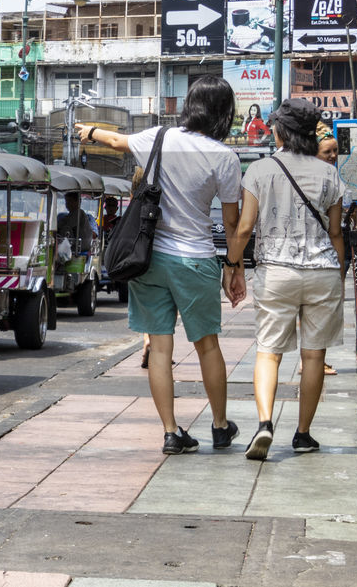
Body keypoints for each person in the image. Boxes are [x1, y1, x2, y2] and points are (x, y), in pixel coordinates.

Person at [75, 75, 242, 455]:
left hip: (148, 258)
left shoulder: (159, 137)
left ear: (190, 105)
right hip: (196, 260)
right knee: (208, 346)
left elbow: (116, 141)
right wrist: (234, 267)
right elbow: (232, 222)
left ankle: (170, 431)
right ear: (225, 113)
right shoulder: (225, 158)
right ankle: (219, 426)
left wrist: (90, 131)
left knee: (160, 349)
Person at [225, 99, 345, 460]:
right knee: (313, 356)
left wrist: (233, 266)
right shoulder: (329, 173)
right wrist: (338, 273)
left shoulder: (260, 171)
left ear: (278, 131)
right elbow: (337, 233)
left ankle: (264, 424)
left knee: (269, 351)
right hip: (322, 271)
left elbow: (245, 228)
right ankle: (303, 434)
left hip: (277, 272)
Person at [317, 125, 342, 376]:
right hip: (321, 254)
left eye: (335, 150)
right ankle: (315, 361)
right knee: (319, 314)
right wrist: (341, 265)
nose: (333, 155)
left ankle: (312, 360)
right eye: (327, 151)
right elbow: (335, 231)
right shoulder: (329, 179)